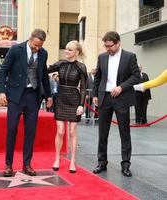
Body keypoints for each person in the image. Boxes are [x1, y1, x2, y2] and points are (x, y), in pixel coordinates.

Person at [0, 29, 53, 177]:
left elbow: (44, 76)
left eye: (39, 46)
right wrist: (1, 91)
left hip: (32, 96)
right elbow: (3, 70)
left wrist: (48, 95)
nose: (37, 48)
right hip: (15, 96)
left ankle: (27, 164)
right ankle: (8, 165)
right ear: (30, 39)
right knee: (12, 129)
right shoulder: (16, 49)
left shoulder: (43, 53)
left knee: (30, 131)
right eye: (35, 45)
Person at [92, 31, 140, 177]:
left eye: (110, 46)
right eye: (105, 46)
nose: (108, 49)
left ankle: (125, 165)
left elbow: (136, 76)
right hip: (104, 98)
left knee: (124, 133)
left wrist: (121, 87)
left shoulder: (130, 57)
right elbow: (98, 78)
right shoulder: (102, 57)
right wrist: (95, 95)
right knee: (102, 133)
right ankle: (102, 162)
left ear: (118, 43)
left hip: (122, 98)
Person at [48, 40, 87, 173]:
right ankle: (57, 158)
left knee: (72, 132)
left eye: (70, 50)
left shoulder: (81, 67)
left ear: (76, 52)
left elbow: (83, 87)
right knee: (60, 131)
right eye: (66, 49)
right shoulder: (60, 63)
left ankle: (72, 160)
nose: (66, 51)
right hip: (61, 98)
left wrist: (81, 105)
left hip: (74, 99)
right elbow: (45, 70)